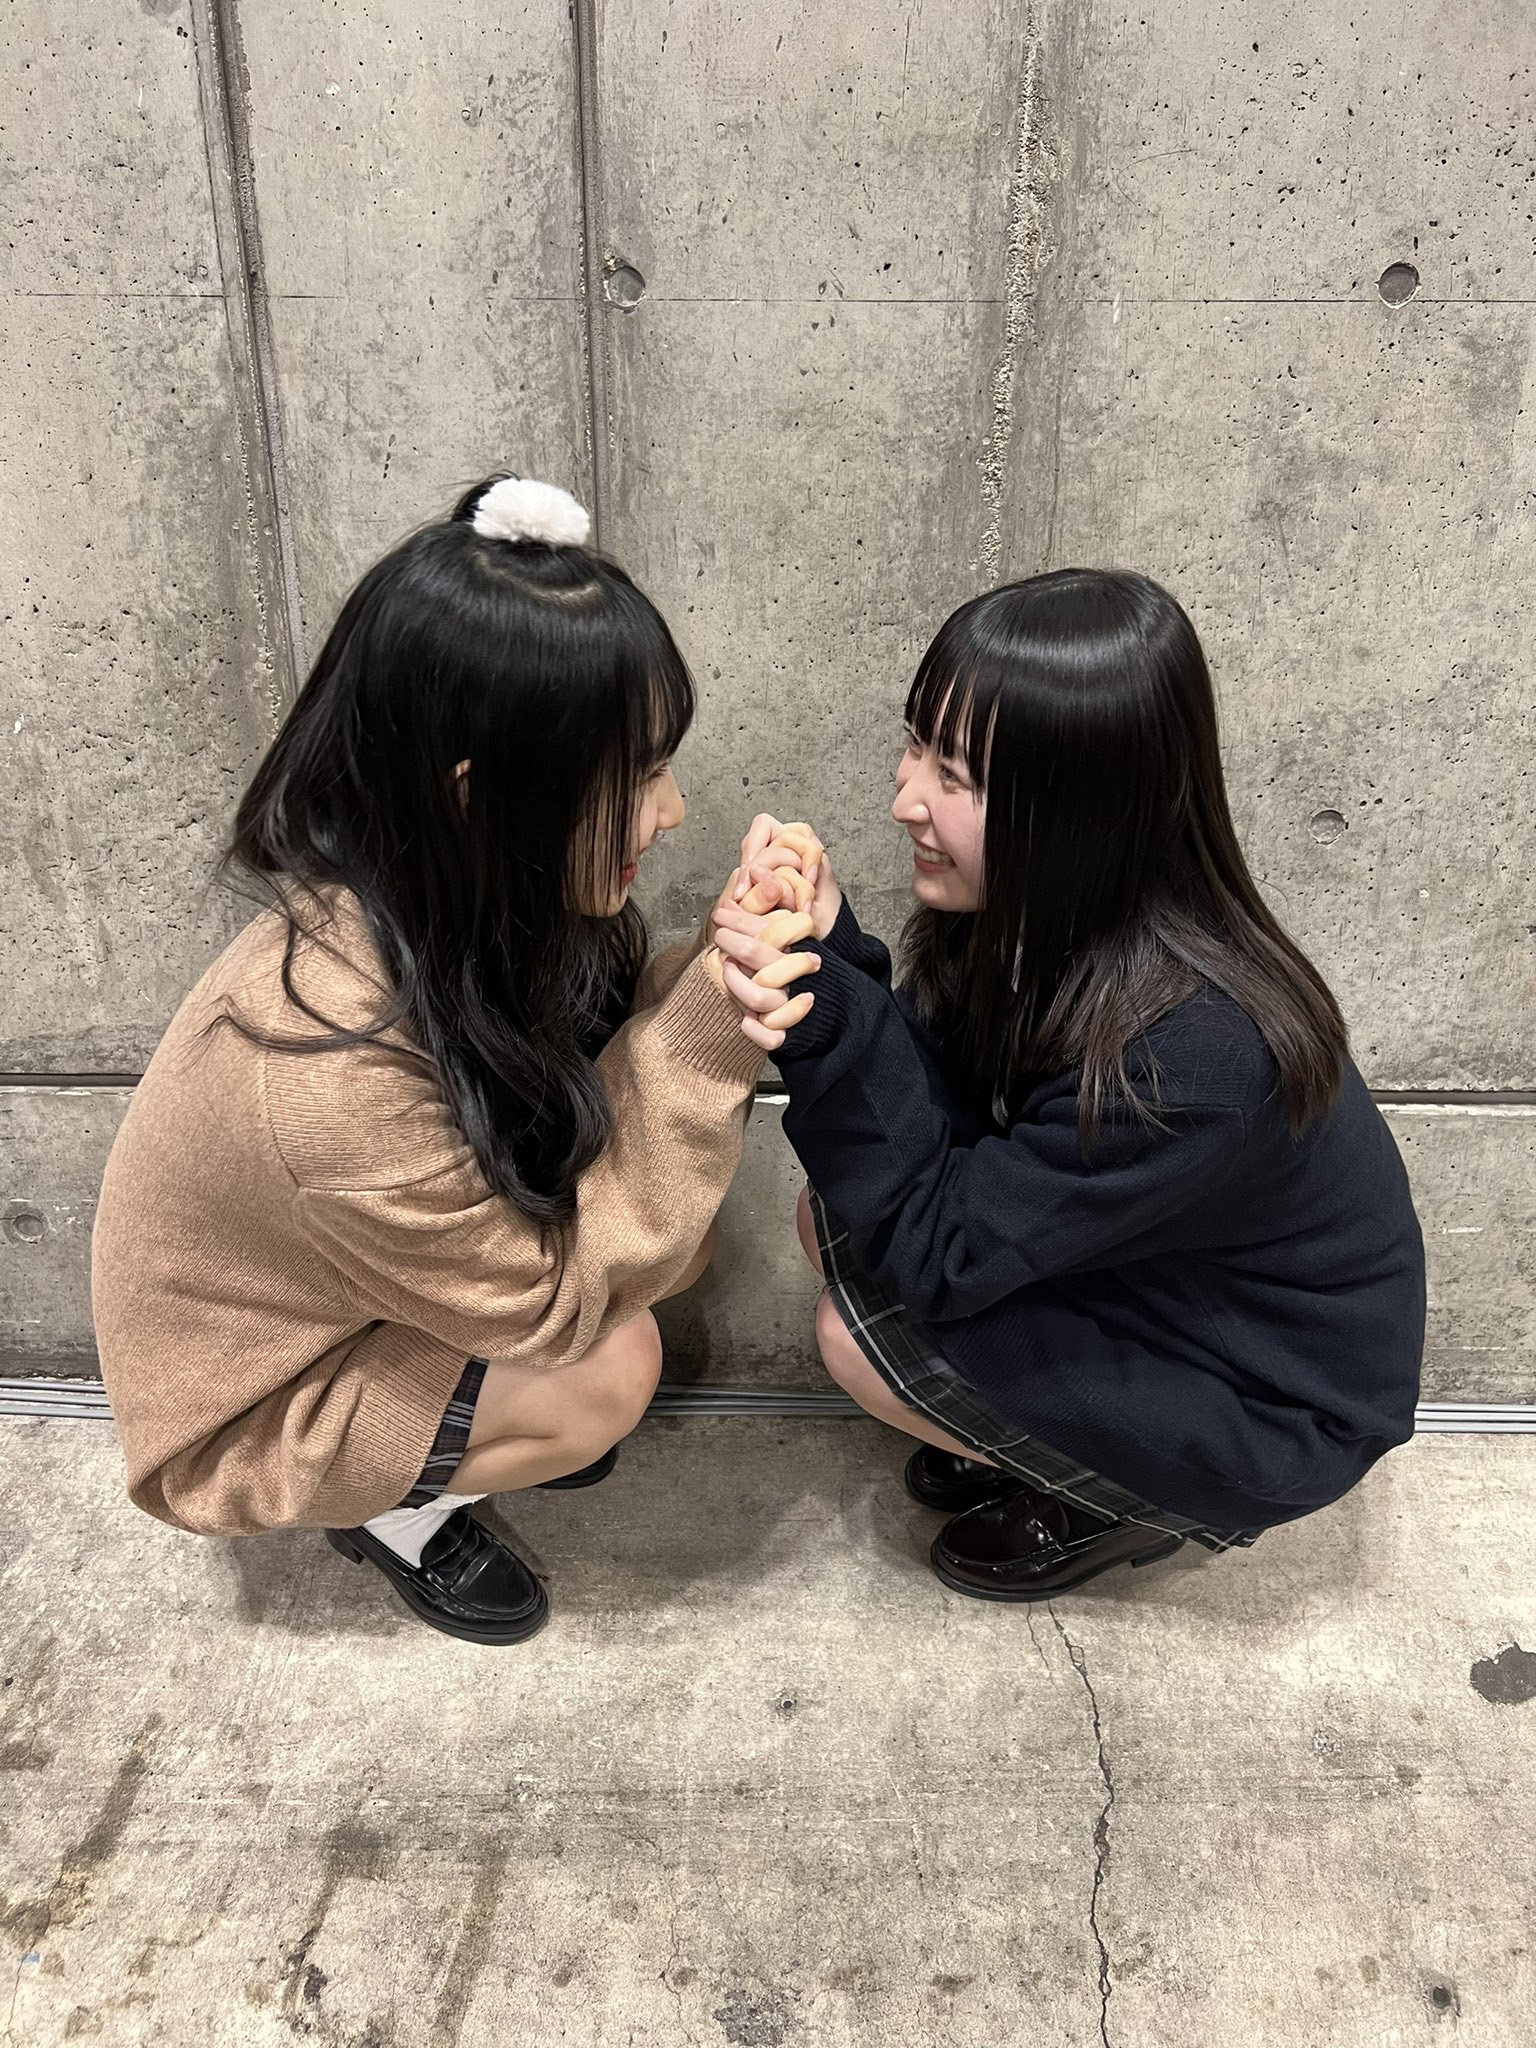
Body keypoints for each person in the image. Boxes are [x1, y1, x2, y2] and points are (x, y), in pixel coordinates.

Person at [90, 475, 816, 1645]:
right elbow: (554, 1306)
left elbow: (608, 1075)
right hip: (247, 1406)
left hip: (350, 1298)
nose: (673, 809)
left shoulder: (449, 897)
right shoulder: (328, 1070)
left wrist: (724, 953)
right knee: (607, 1363)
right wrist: (720, 1016)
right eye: (636, 773)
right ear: (481, 797)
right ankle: (398, 1512)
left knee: (671, 1249)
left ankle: (447, 1436)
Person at [707, 569, 1426, 1600]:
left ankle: (1112, 1499)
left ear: (1083, 812)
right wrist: (830, 949)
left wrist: (821, 1008)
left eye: (955, 774)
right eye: (917, 744)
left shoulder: (1192, 1053)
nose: (904, 798)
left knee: (858, 1334)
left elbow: (943, 1256)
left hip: (1275, 1407)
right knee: (838, 1223)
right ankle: (1051, 1443)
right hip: (1175, 1296)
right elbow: (939, 1111)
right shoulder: (1058, 924)